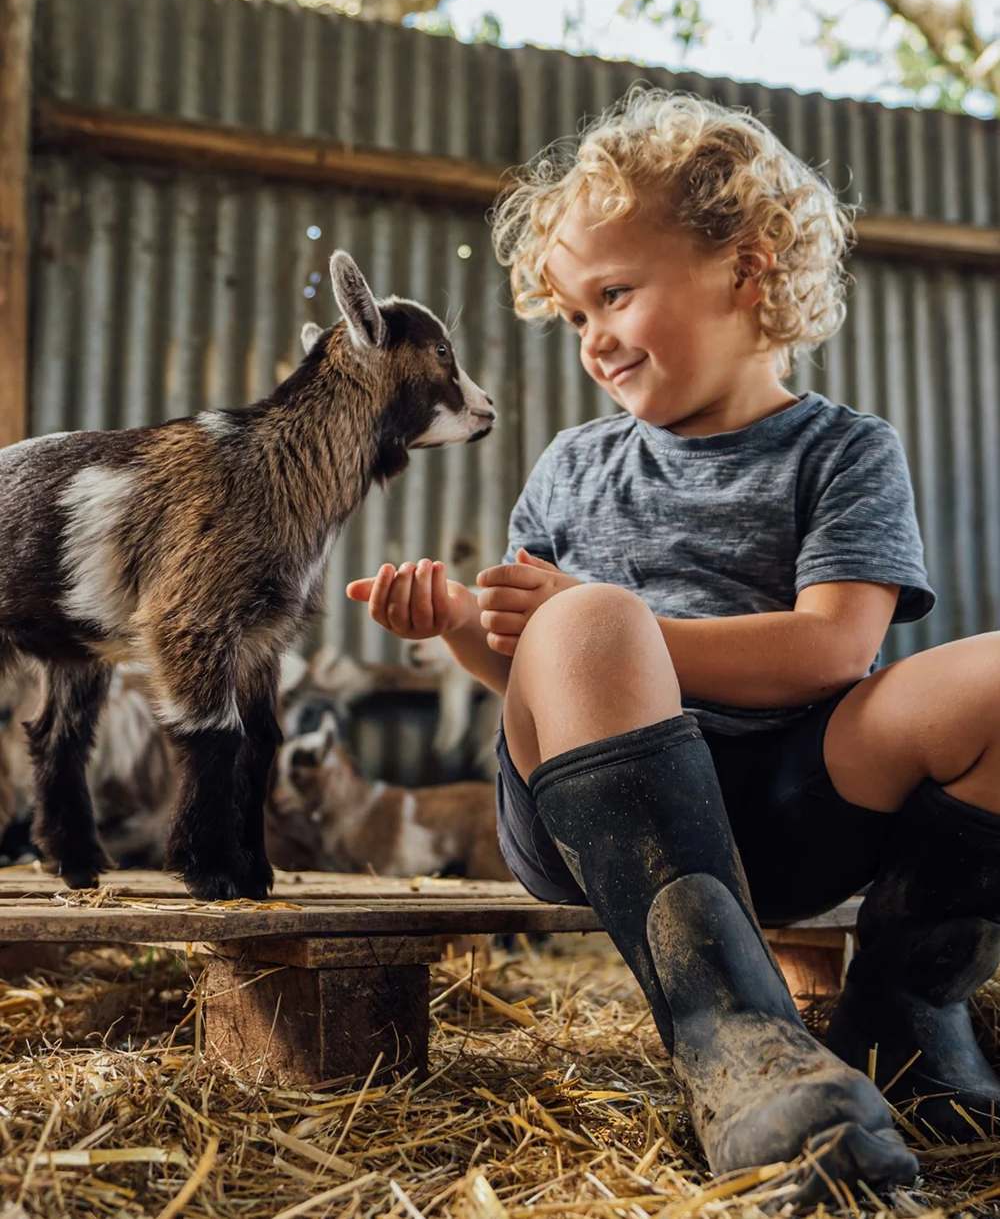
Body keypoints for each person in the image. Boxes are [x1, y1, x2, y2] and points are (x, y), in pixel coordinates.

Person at [347, 87, 1000, 1203]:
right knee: (588, 621)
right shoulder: (571, 465)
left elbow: (835, 649)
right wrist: (466, 624)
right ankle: (734, 1039)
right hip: (602, 829)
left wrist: (617, 620)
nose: (593, 339)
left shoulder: (841, 450)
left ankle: (907, 1012)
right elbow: (536, 678)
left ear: (747, 270)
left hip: (793, 813)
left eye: (614, 294)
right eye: (573, 314)